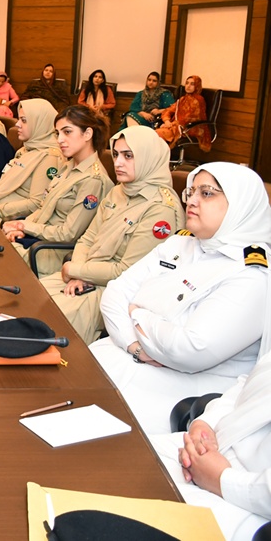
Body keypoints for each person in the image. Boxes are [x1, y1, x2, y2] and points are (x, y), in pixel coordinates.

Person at [89, 162, 271, 435]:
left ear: (240, 205)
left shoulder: (252, 274)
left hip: (180, 393)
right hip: (122, 355)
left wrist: (138, 312)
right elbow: (114, 293)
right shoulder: (181, 243)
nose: (192, 201)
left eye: (206, 193)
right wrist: (133, 345)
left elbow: (190, 348)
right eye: (191, 192)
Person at [40, 127, 185, 344]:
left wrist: (76, 270)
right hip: (87, 274)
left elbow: (127, 271)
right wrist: (78, 271)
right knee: (31, 298)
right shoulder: (119, 191)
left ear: (148, 158)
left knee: (46, 322)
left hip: (116, 292)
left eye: (128, 156)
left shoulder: (160, 208)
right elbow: (87, 238)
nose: (118, 162)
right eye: (116, 154)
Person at [151, 318, 271, 541]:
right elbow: (247, 384)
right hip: (209, 451)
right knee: (114, 459)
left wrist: (221, 479)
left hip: (246, 501)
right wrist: (204, 425)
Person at [0, 105, 113, 275]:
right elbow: (43, 208)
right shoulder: (68, 166)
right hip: (36, 240)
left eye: (67, 132)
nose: (60, 139)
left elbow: (68, 234)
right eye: (57, 133)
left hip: (53, 252)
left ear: (87, 134)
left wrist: (24, 226)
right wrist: (20, 229)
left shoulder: (93, 180)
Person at [0, 98, 64, 220]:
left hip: (6, 219)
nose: (17, 124)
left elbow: (36, 204)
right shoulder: (25, 149)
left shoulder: (49, 157)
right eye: (19, 119)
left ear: (39, 124)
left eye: (24, 120)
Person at [156, 75, 213, 153]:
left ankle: (162, 157)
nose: (188, 86)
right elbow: (168, 110)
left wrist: (171, 125)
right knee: (154, 135)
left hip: (190, 129)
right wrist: (167, 121)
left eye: (192, 84)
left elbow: (189, 118)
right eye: (187, 83)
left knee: (158, 134)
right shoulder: (183, 99)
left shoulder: (199, 100)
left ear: (197, 86)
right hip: (176, 127)